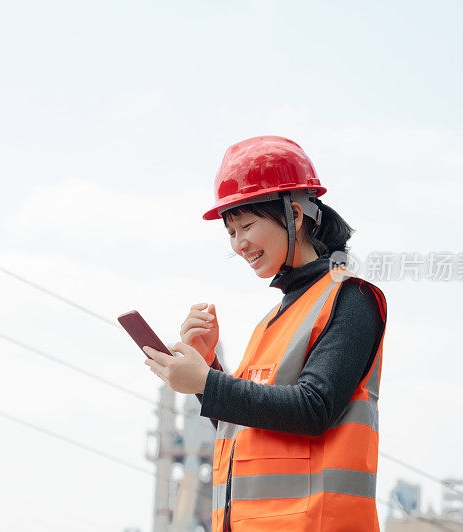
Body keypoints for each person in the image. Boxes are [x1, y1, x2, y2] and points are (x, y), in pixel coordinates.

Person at [143, 136, 387, 531]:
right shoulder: (271, 322)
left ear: (294, 213)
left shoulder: (351, 298)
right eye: (230, 232)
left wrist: (207, 381)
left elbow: (312, 409)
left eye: (247, 225)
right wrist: (207, 370)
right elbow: (247, 429)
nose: (239, 245)